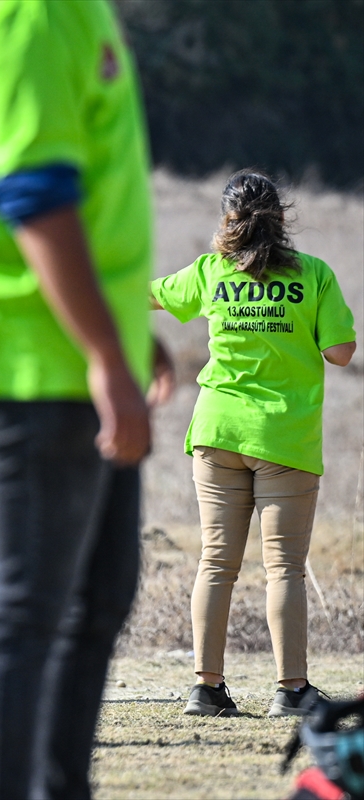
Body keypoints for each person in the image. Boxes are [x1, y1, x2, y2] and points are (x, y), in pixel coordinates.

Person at [0, 1, 173, 797]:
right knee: (31, 610)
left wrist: (126, 332)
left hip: (73, 351)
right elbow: (33, 193)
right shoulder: (27, 10)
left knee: (99, 595)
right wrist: (105, 351)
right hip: (30, 360)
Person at [151, 170, 356, 719]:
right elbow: (341, 352)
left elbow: (149, 296)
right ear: (283, 218)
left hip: (217, 431)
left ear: (228, 220)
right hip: (284, 437)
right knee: (284, 568)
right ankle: (291, 691)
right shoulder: (313, 275)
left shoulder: (211, 271)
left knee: (216, 563)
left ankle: (206, 688)